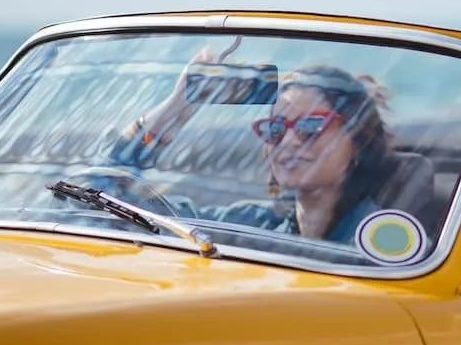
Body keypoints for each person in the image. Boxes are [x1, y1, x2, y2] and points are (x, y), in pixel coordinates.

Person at [105, 57, 401, 246]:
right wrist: (179, 105)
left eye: (310, 126)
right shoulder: (253, 226)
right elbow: (97, 203)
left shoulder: (384, 243)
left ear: (359, 140)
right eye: (275, 128)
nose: (288, 141)